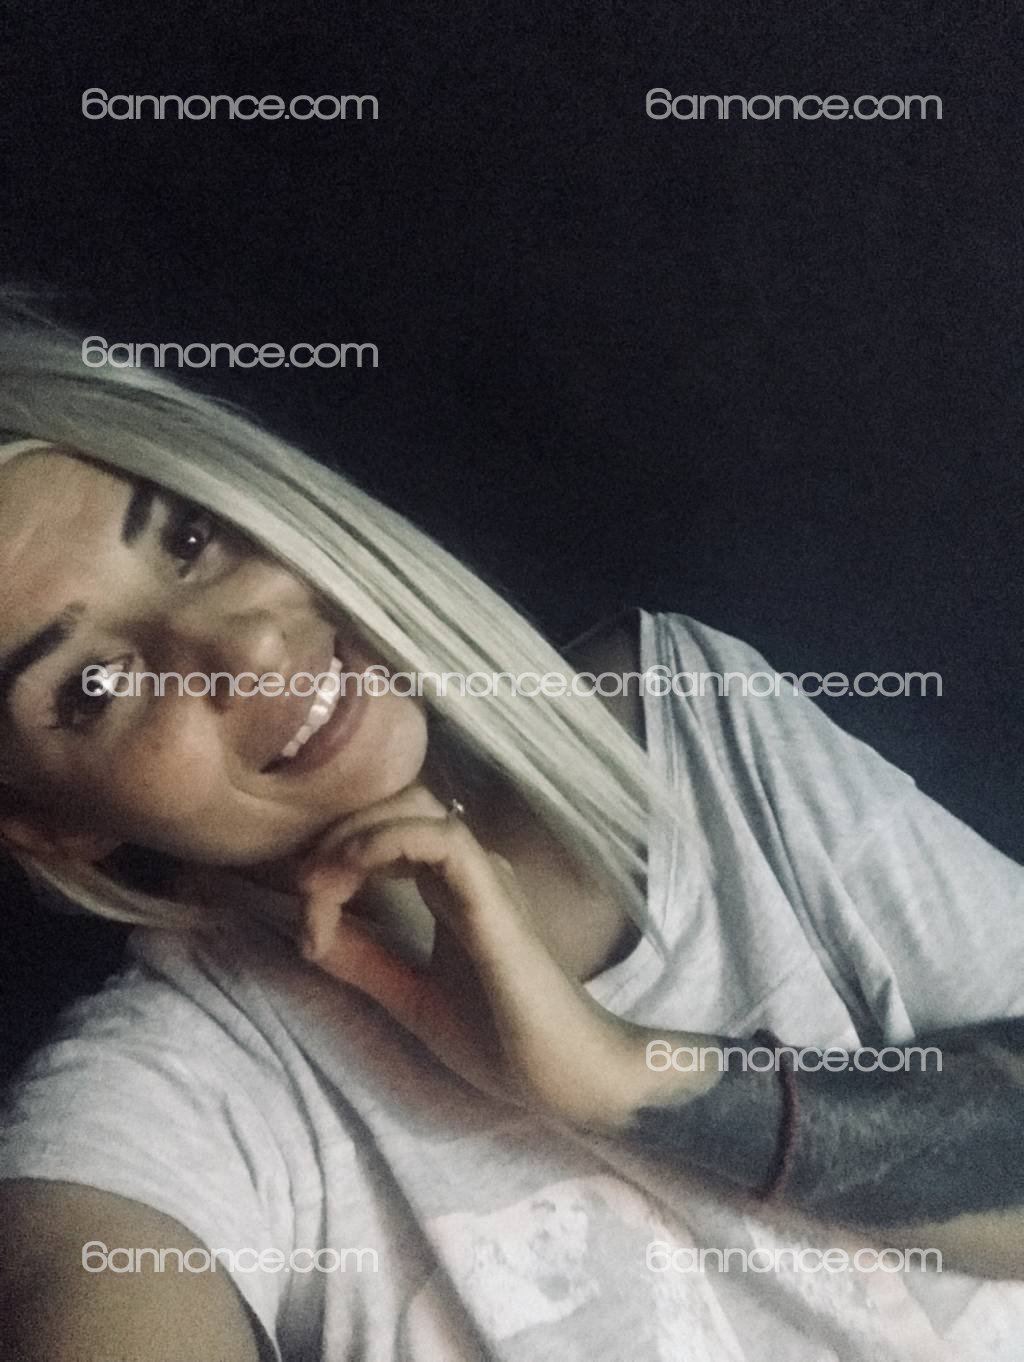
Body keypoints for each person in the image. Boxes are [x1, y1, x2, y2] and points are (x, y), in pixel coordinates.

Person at [0, 308, 1022, 1362]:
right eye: (95, 684)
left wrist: (625, 1077)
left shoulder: (687, 724)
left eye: (188, 540)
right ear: (53, 827)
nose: (250, 648)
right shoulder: (159, 1103)